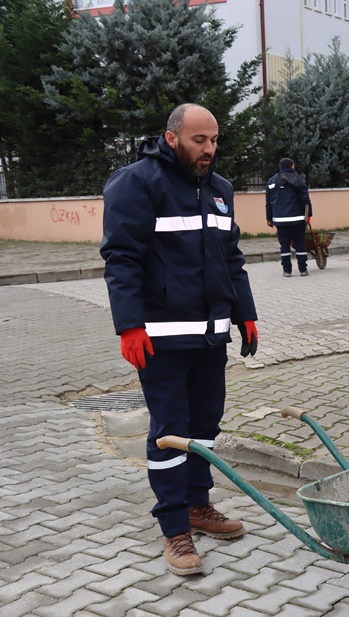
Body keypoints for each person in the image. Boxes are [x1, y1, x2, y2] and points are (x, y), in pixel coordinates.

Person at [100, 103, 259, 577]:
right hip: (161, 340)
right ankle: (174, 528)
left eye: (214, 140)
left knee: (205, 427)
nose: (209, 149)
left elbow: (232, 259)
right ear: (173, 138)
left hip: (211, 338)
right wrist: (129, 325)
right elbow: (122, 259)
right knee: (170, 433)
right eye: (199, 140)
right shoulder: (137, 183)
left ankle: (197, 505)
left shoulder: (220, 189)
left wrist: (245, 314)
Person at [265, 157, 312, 277]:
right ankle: (303, 269)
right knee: (300, 243)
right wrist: (308, 215)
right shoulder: (298, 179)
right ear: (291, 166)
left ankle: (287, 271)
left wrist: (269, 218)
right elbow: (304, 199)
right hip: (297, 219)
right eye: (294, 165)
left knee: (284, 244)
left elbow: (268, 202)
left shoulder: (271, 181)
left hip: (279, 220)